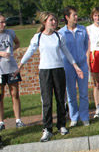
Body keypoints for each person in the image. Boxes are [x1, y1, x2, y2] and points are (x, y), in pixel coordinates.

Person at [15, 12, 83, 142]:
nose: (54, 22)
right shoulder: (38, 37)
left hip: (58, 70)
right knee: (46, 101)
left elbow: (66, 52)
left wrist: (75, 66)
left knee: (60, 99)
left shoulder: (59, 36)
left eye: (55, 20)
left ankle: (61, 125)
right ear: (44, 22)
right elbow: (30, 51)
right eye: (51, 20)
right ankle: (47, 129)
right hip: (45, 71)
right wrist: (20, 65)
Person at [58, 6, 90, 127]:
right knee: (71, 94)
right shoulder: (61, 33)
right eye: (74, 15)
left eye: (76, 15)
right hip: (68, 66)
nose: (76, 17)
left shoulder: (82, 30)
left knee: (83, 93)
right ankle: (74, 118)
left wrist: (84, 58)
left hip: (82, 64)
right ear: (67, 17)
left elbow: (86, 45)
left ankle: (85, 117)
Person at [0, 14, 25, 130]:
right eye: (1, 22)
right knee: (0, 96)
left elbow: (18, 43)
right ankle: (1, 122)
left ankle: (18, 120)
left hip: (11, 67)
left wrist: (12, 51)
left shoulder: (10, 33)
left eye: (4, 22)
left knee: (15, 94)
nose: (4, 24)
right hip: (0, 70)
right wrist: (1, 53)